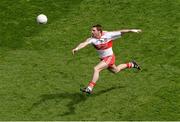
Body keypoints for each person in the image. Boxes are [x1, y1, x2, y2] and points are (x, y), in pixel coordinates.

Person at [72, 24, 142, 94]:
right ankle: (132, 64)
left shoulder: (108, 35)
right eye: (91, 30)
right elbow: (84, 43)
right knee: (116, 70)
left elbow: (121, 32)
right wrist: (77, 48)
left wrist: (131, 30)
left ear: (99, 31)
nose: (92, 32)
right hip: (103, 59)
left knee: (96, 68)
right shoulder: (92, 39)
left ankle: (89, 88)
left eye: (93, 30)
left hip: (110, 57)